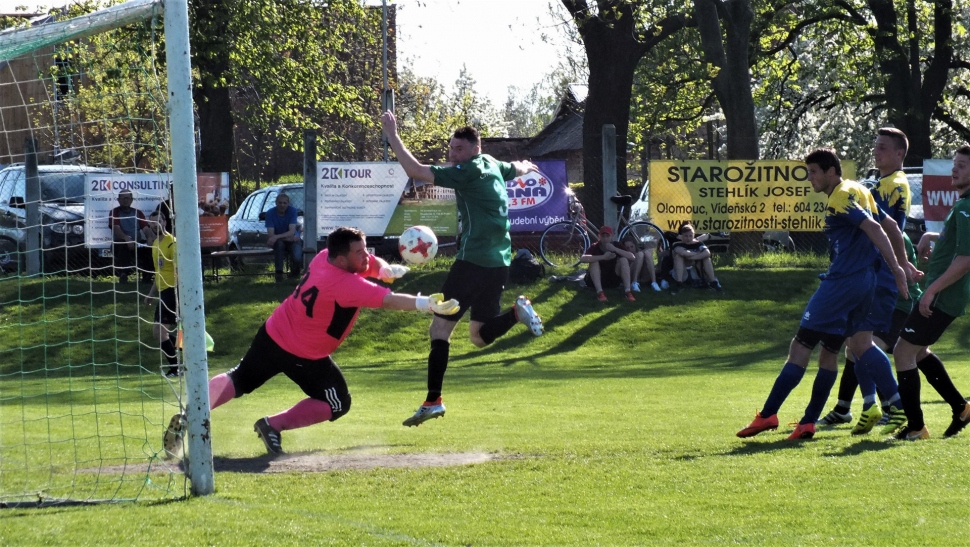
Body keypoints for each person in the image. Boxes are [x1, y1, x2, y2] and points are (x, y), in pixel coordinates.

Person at [182, 227, 460, 456]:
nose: (366, 256)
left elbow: (369, 265)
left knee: (239, 378)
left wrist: (383, 269)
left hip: (274, 333)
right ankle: (272, 426)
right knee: (338, 402)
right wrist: (426, 304)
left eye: (365, 249)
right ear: (342, 260)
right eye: (359, 252)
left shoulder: (326, 257)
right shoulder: (345, 284)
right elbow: (389, 300)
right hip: (305, 355)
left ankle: (190, 414)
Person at [379, 110, 544, 428]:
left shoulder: (466, 172)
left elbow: (413, 169)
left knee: (439, 330)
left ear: (474, 150)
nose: (451, 154)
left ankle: (433, 401)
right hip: (499, 263)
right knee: (480, 336)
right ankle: (516, 313)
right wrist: (526, 166)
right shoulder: (492, 163)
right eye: (451, 148)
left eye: (458, 149)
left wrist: (393, 134)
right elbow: (517, 168)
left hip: (471, 263)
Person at [737, 148, 909, 441]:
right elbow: (889, 225)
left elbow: (872, 227)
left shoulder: (842, 194)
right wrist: (901, 265)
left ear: (831, 171)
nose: (810, 179)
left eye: (814, 172)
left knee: (800, 346)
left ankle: (768, 415)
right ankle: (894, 407)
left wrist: (897, 268)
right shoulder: (860, 189)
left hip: (841, 283)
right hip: (866, 282)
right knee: (853, 346)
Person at [820, 128, 918, 434]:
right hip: (868, 271)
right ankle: (862, 407)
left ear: (900, 154)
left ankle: (888, 406)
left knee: (862, 344)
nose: (876, 152)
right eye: (875, 147)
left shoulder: (896, 185)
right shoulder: (879, 183)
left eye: (883, 148)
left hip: (876, 273)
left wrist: (899, 265)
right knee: (856, 344)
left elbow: (885, 227)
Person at [891, 144, 970, 440]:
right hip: (944, 293)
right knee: (918, 351)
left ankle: (916, 427)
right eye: (955, 164)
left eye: (962, 166)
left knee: (903, 352)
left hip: (944, 295)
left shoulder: (966, 207)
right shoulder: (964, 204)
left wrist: (931, 290)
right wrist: (931, 234)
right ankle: (962, 409)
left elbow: (965, 260)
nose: (955, 170)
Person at [143, 211, 179, 378]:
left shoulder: (172, 244)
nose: (154, 224)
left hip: (172, 292)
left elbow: (179, 271)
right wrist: (151, 294)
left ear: (165, 222)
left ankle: (175, 368)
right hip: (163, 292)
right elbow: (159, 273)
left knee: (159, 332)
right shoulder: (156, 243)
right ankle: (178, 359)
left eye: (158, 221)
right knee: (159, 333)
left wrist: (178, 294)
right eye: (152, 222)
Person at [580, 225, 638, 302]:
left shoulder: (616, 245)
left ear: (612, 236)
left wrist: (615, 249)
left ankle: (628, 292)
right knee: (593, 262)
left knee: (623, 260)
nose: (605, 238)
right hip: (598, 278)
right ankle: (600, 293)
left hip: (613, 278)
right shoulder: (595, 246)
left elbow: (632, 257)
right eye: (603, 236)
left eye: (607, 236)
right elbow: (582, 259)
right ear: (599, 236)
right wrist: (603, 257)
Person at [110, 189, 151, 284]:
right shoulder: (114, 212)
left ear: (132, 199)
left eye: (128, 198)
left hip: (137, 244)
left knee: (149, 248)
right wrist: (126, 238)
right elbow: (116, 228)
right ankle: (123, 275)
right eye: (123, 198)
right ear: (118, 200)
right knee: (123, 247)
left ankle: (147, 276)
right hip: (120, 243)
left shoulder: (138, 213)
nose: (125, 200)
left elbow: (145, 228)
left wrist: (149, 237)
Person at [669, 222, 722, 293]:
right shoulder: (677, 244)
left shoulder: (698, 243)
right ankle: (679, 283)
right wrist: (698, 254)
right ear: (681, 236)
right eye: (686, 236)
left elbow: (707, 253)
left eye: (690, 236)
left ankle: (713, 282)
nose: (688, 238)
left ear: (693, 236)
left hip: (694, 271)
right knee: (679, 256)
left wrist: (691, 256)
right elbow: (683, 252)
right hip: (681, 272)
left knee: (706, 258)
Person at [265, 193, 303, 283]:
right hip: (282, 241)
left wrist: (276, 237)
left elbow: (291, 231)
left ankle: (295, 275)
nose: (282, 205)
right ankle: (279, 275)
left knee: (297, 255)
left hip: (292, 240)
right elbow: (271, 235)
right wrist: (287, 237)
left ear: (288, 203)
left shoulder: (293, 211)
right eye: (280, 203)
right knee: (279, 245)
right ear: (276, 203)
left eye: (284, 203)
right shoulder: (270, 213)